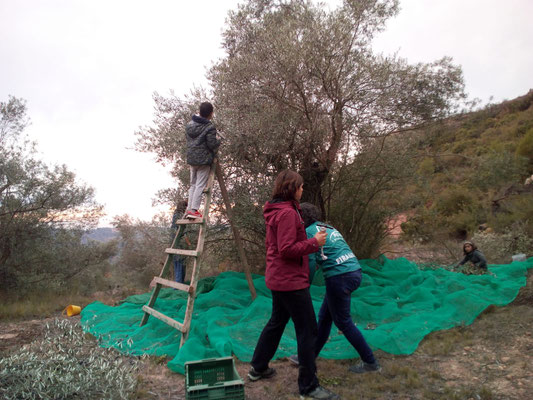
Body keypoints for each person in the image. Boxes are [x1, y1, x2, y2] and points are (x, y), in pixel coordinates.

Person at [248, 171, 339, 400]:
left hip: (279, 278)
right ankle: (309, 386)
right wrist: (313, 242)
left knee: (277, 322)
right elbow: (287, 249)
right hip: (290, 281)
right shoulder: (287, 213)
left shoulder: (278, 210)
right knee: (308, 330)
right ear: (291, 188)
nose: (302, 190)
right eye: (300, 187)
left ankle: (258, 367)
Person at [289, 203, 381, 374]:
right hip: (353, 270)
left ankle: (371, 362)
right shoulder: (327, 227)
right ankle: (307, 356)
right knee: (325, 319)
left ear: (301, 219)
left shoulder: (309, 234)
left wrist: (304, 287)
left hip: (339, 277)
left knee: (343, 322)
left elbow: (308, 264)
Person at [184, 101, 221, 219]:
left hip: (191, 159)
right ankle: (194, 210)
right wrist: (219, 141)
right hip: (203, 160)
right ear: (211, 113)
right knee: (200, 185)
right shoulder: (209, 127)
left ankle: (189, 209)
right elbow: (212, 145)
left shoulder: (190, 125)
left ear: (199, 112)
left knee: (193, 185)